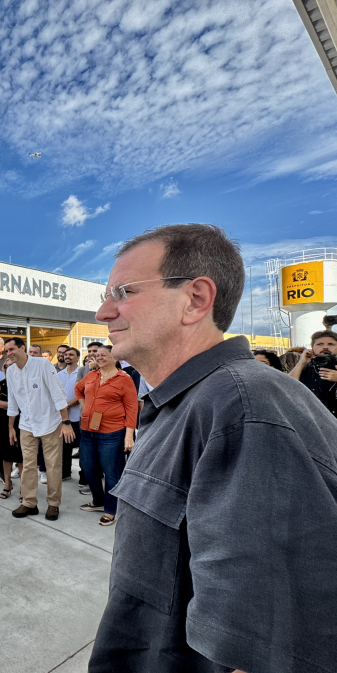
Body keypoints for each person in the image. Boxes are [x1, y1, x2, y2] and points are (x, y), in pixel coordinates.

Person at [89, 223, 337, 673]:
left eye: (122, 291)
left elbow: (269, 647)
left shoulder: (244, 406)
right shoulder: (187, 404)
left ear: (196, 299)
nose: (105, 312)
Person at [4, 336, 74, 520]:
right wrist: (11, 427)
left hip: (50, 423)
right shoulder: (10, 372)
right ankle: (29, 502)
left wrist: (66, 422)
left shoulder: (42, 364)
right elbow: (12, 401)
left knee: (52, 466)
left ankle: (53, 504)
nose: (8, 354)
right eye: (6, 351)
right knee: (27, 465)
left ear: (22, 348)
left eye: (11, 349)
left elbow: (58, 394)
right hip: (26, 424)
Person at [74, 345, 138, 526]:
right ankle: (98, 500)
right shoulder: (91, 375)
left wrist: (129, 436)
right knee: (88, 468)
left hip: (112, 432)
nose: (98, 357)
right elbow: (78, 389)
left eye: (103, 355)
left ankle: (111, 509)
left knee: (111, 472)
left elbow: (132, 408)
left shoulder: (124, 379)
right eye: (96, 355)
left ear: (115, 357)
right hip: (87, 430)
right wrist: (84, 405)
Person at [288, 330, 337, 418]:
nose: (325, 347)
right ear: (312, 348)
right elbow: (287, 386)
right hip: (312, 419)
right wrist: (301, 363)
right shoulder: (305, 368)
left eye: (331, 344)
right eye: (320, 344)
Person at [57, 346, 88, 481]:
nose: (67, 356)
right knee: (64, 448)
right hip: (64, 418)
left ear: (77, 357)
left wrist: (66, 405)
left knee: (83, 449)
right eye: (65, 354)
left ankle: (84, 476)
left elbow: (82, 394)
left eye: (71, 354)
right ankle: (65, 473)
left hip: (78, 416)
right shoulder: (58, 375)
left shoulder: (82, 374)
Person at [0, 360, 23, 500]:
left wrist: (7, 405)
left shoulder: (23, 382)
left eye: (12, 365)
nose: (9, 368)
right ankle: (8, 483)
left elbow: (24, 405)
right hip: (3, 423)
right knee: (5, 455)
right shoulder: (1, 384)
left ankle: (24, 487)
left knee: (21, 456)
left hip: (20, 423)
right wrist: (13, 405)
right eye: (6, 366)